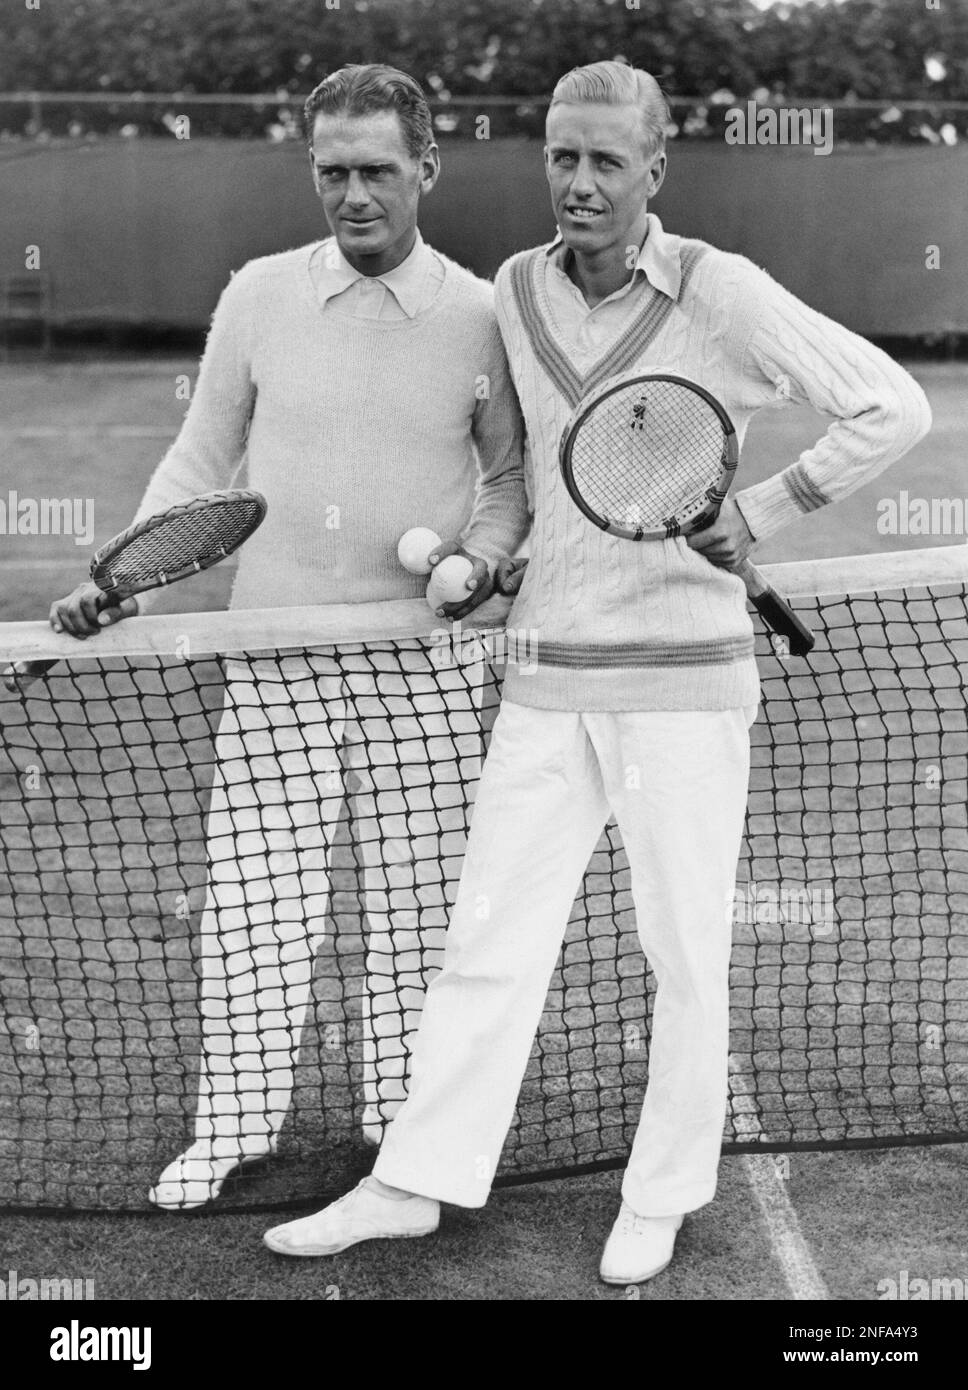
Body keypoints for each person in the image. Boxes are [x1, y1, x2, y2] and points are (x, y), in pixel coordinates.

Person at [261, 60, 932, 1283]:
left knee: (681, 951)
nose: (577, 182)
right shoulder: (514, 290)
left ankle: (661, 1192)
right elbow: (517, 478)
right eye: (561, 157)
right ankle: (415, 1179)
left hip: (685, 683)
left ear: (652, 173)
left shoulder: (719, 292)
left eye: (604, 161)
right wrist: (486, 561)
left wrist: (767, 509)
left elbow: (888, 407)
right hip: (543, 677)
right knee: (486, 941)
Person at [21, 64, 528, 1210]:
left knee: (417, 904)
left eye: (376, 172)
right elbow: (199, 465)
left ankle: (401, 1115)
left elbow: (506, 478)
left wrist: (480, 563)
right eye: (332, 172)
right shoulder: (255, 294)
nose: (353, 195)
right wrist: (127, 580)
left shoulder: (479, 314)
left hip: (423, 666)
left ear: (426, 170)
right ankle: (232, 1125)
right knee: (255, 900)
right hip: (277, 657)